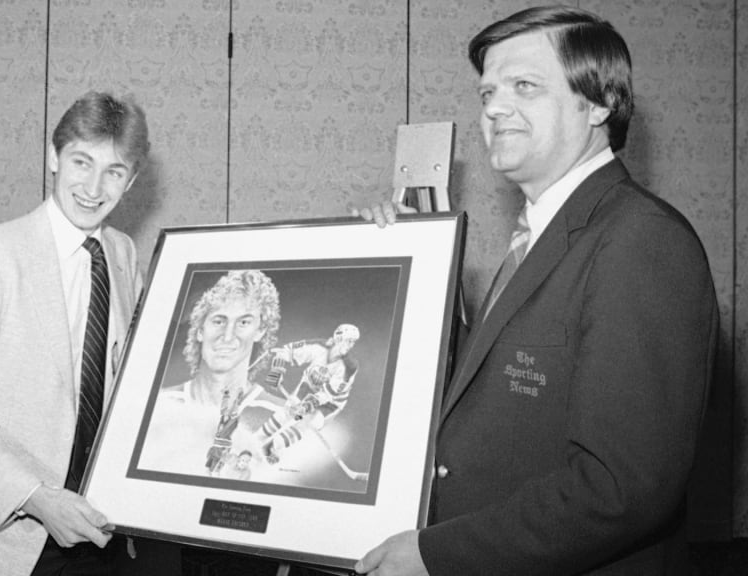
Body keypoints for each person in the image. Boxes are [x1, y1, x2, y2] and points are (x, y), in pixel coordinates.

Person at [355, 6, 718, 576]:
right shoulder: (539, 234)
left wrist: (436, 555)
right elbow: (485, 397)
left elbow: (620, 488)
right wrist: (412, 266)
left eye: (523, 86)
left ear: (600, 102)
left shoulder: (642, 240)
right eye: (487, 93)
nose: (494, 107)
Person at [0, 91, 178, 576]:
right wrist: (37, 499)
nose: (94, 187)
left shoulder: (122, 254)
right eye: (82, 162)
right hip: (14, 533)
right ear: (53, 156)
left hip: (103, 528)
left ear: (132, 180)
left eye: (114, 172)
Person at [142, 269, 281, 476]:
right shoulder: (156, 406)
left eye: (243, 322)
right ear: (200, 330)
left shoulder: (278, 416)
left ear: (260, 331)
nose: (227, 336)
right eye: (218, 321)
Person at [255, 323, 360, 464]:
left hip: (331, 403)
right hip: (308, 387)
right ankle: (257, 438)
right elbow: (286, 351)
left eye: (353, 342)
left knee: (309, 422)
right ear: (338, 337)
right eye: (348, 340)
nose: (350, 345)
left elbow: (330, 393)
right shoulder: (318, 347)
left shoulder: (349, 366)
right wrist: (277, 369)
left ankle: (272, 447)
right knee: (289, 411)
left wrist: (308, 405)